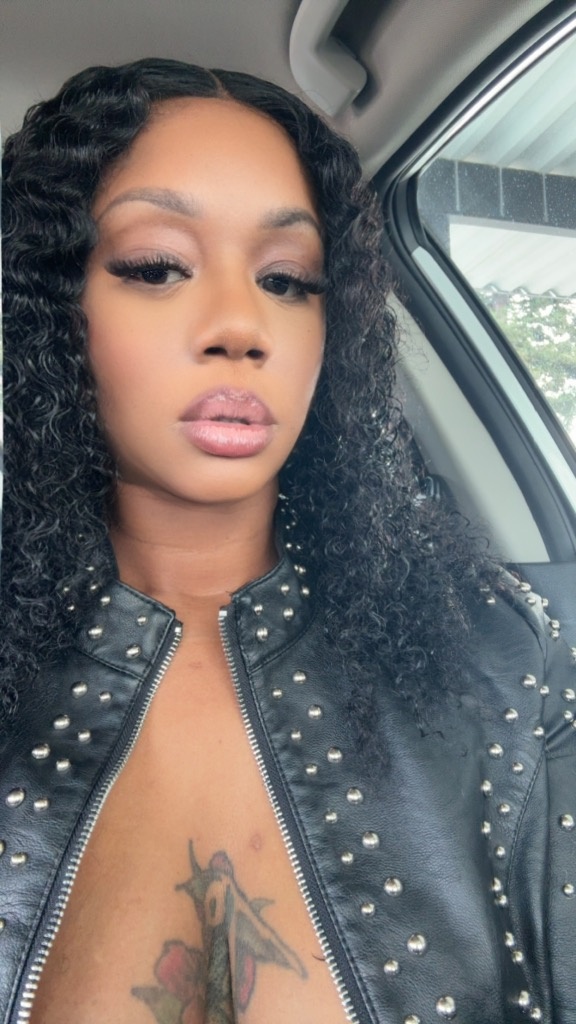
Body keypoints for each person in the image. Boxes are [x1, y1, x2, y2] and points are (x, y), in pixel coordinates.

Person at [0, 58, 574, 1024]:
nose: (242, 325)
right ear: (55, 314)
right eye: (156, 267)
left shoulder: (502, 659)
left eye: (287, 279)